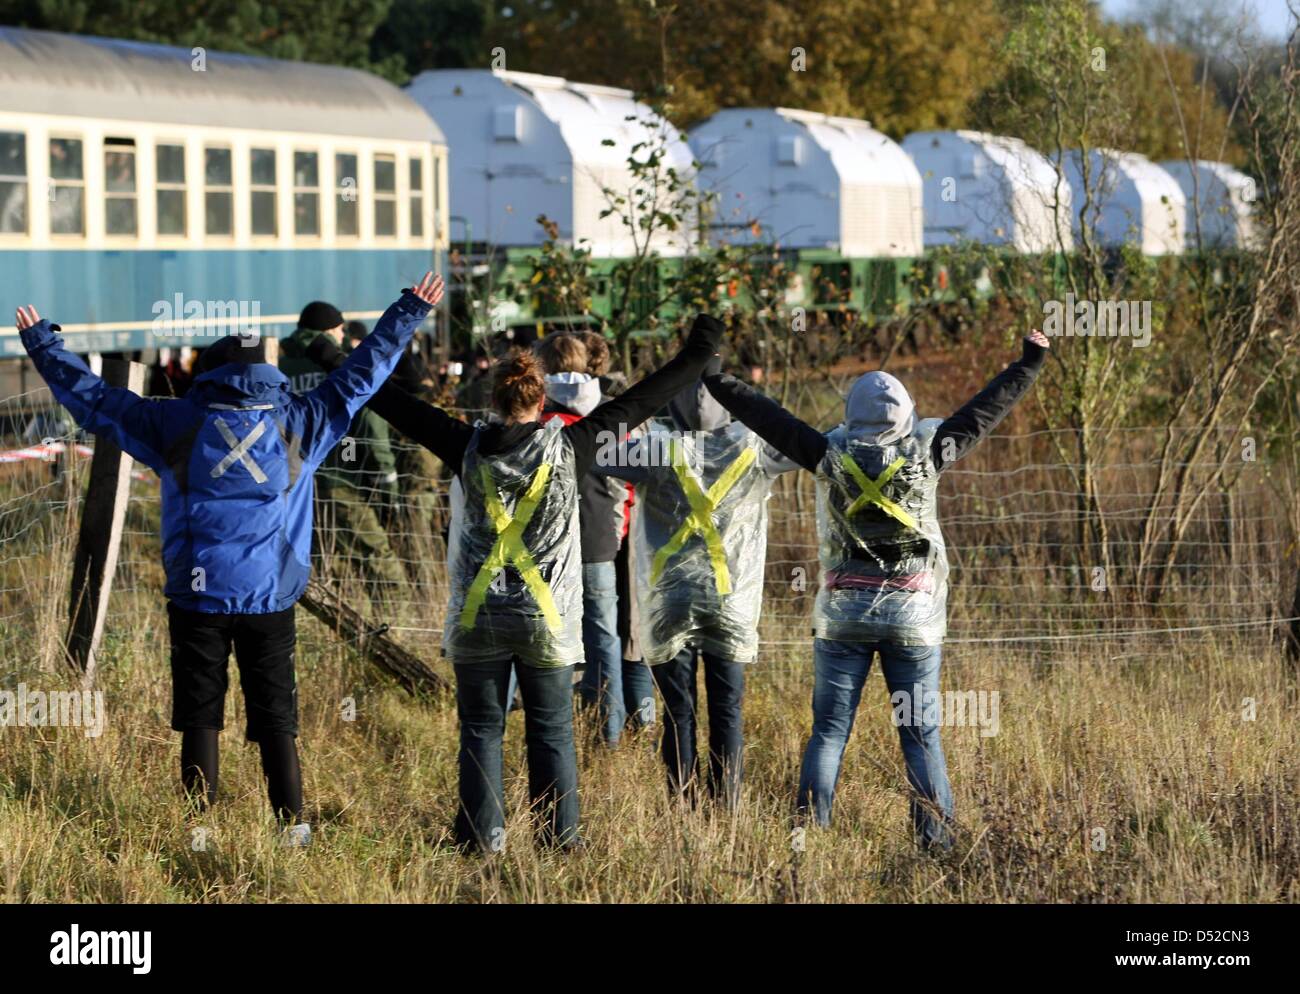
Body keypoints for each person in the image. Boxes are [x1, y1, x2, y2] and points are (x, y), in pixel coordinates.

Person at [13, 273, 444, 846]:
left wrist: (44, 344)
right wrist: (409, 311)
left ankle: (199, 830)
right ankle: (293, 828)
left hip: (198, 595)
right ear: (266, 372)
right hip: (271, 595)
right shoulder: (302, 421)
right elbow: (363, 374)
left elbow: (92, 401)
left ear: (208, 373)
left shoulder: (174, 423)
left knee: (199, 713)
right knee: (276, 716)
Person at [305, 314, 726, 851]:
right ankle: (561, 842)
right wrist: (702, 345)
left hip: (477, 619)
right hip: (544, 621)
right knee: (551, 732)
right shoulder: (573, 445)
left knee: (481, 731)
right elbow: (647, 396)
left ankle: (482, 842)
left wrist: (332, 359)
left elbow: (389, 400)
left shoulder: (463, 444)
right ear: (539, 398)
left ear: (494, 399)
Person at [702, 330, 1050, 849]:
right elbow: (984, 411)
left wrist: (715, 377)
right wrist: (1030, 363)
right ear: (907, 412)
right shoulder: (930, 451)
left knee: (829, 732)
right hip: (914, 618)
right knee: (920, 735)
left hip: (843, 616)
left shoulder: (825, 452)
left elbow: (768, 415)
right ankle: (934, 842)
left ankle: (809, 836)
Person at [593, 359, 799, 807]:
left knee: (677, 711)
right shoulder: (754, 446)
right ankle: (727, 803)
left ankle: (683, 803)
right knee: (728, 710)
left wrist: (638, 398)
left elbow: (598, 450)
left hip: (670, 599)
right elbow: (801, 440)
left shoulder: (656, 449)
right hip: (731, 598)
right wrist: (749, 401)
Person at [533, 332, 647, 746]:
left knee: (552, 637)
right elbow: (634, 479)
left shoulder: (539, 416)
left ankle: (556, 728)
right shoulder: (610, 414)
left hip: (550, 545)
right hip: (602, 537)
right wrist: (620, 529)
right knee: (606, 638)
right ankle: (609, 734)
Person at [280, 305, 405, 604]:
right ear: (328, 331)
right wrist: (389, 486)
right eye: (339, 330)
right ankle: (395, 627)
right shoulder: (338, 364)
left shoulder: (279, 366)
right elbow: (372, 429)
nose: (342, 336)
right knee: (382, 567)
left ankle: (319, 626)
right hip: (342, 478)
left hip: (292, 483)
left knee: (314, 561)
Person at [577, 330, 657, 735]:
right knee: (633, 641)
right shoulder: (632, 410)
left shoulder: (588, 417)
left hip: (604, 534)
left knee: (605, 637)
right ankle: (641, 726)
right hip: (636, 534)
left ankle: (605, 724)